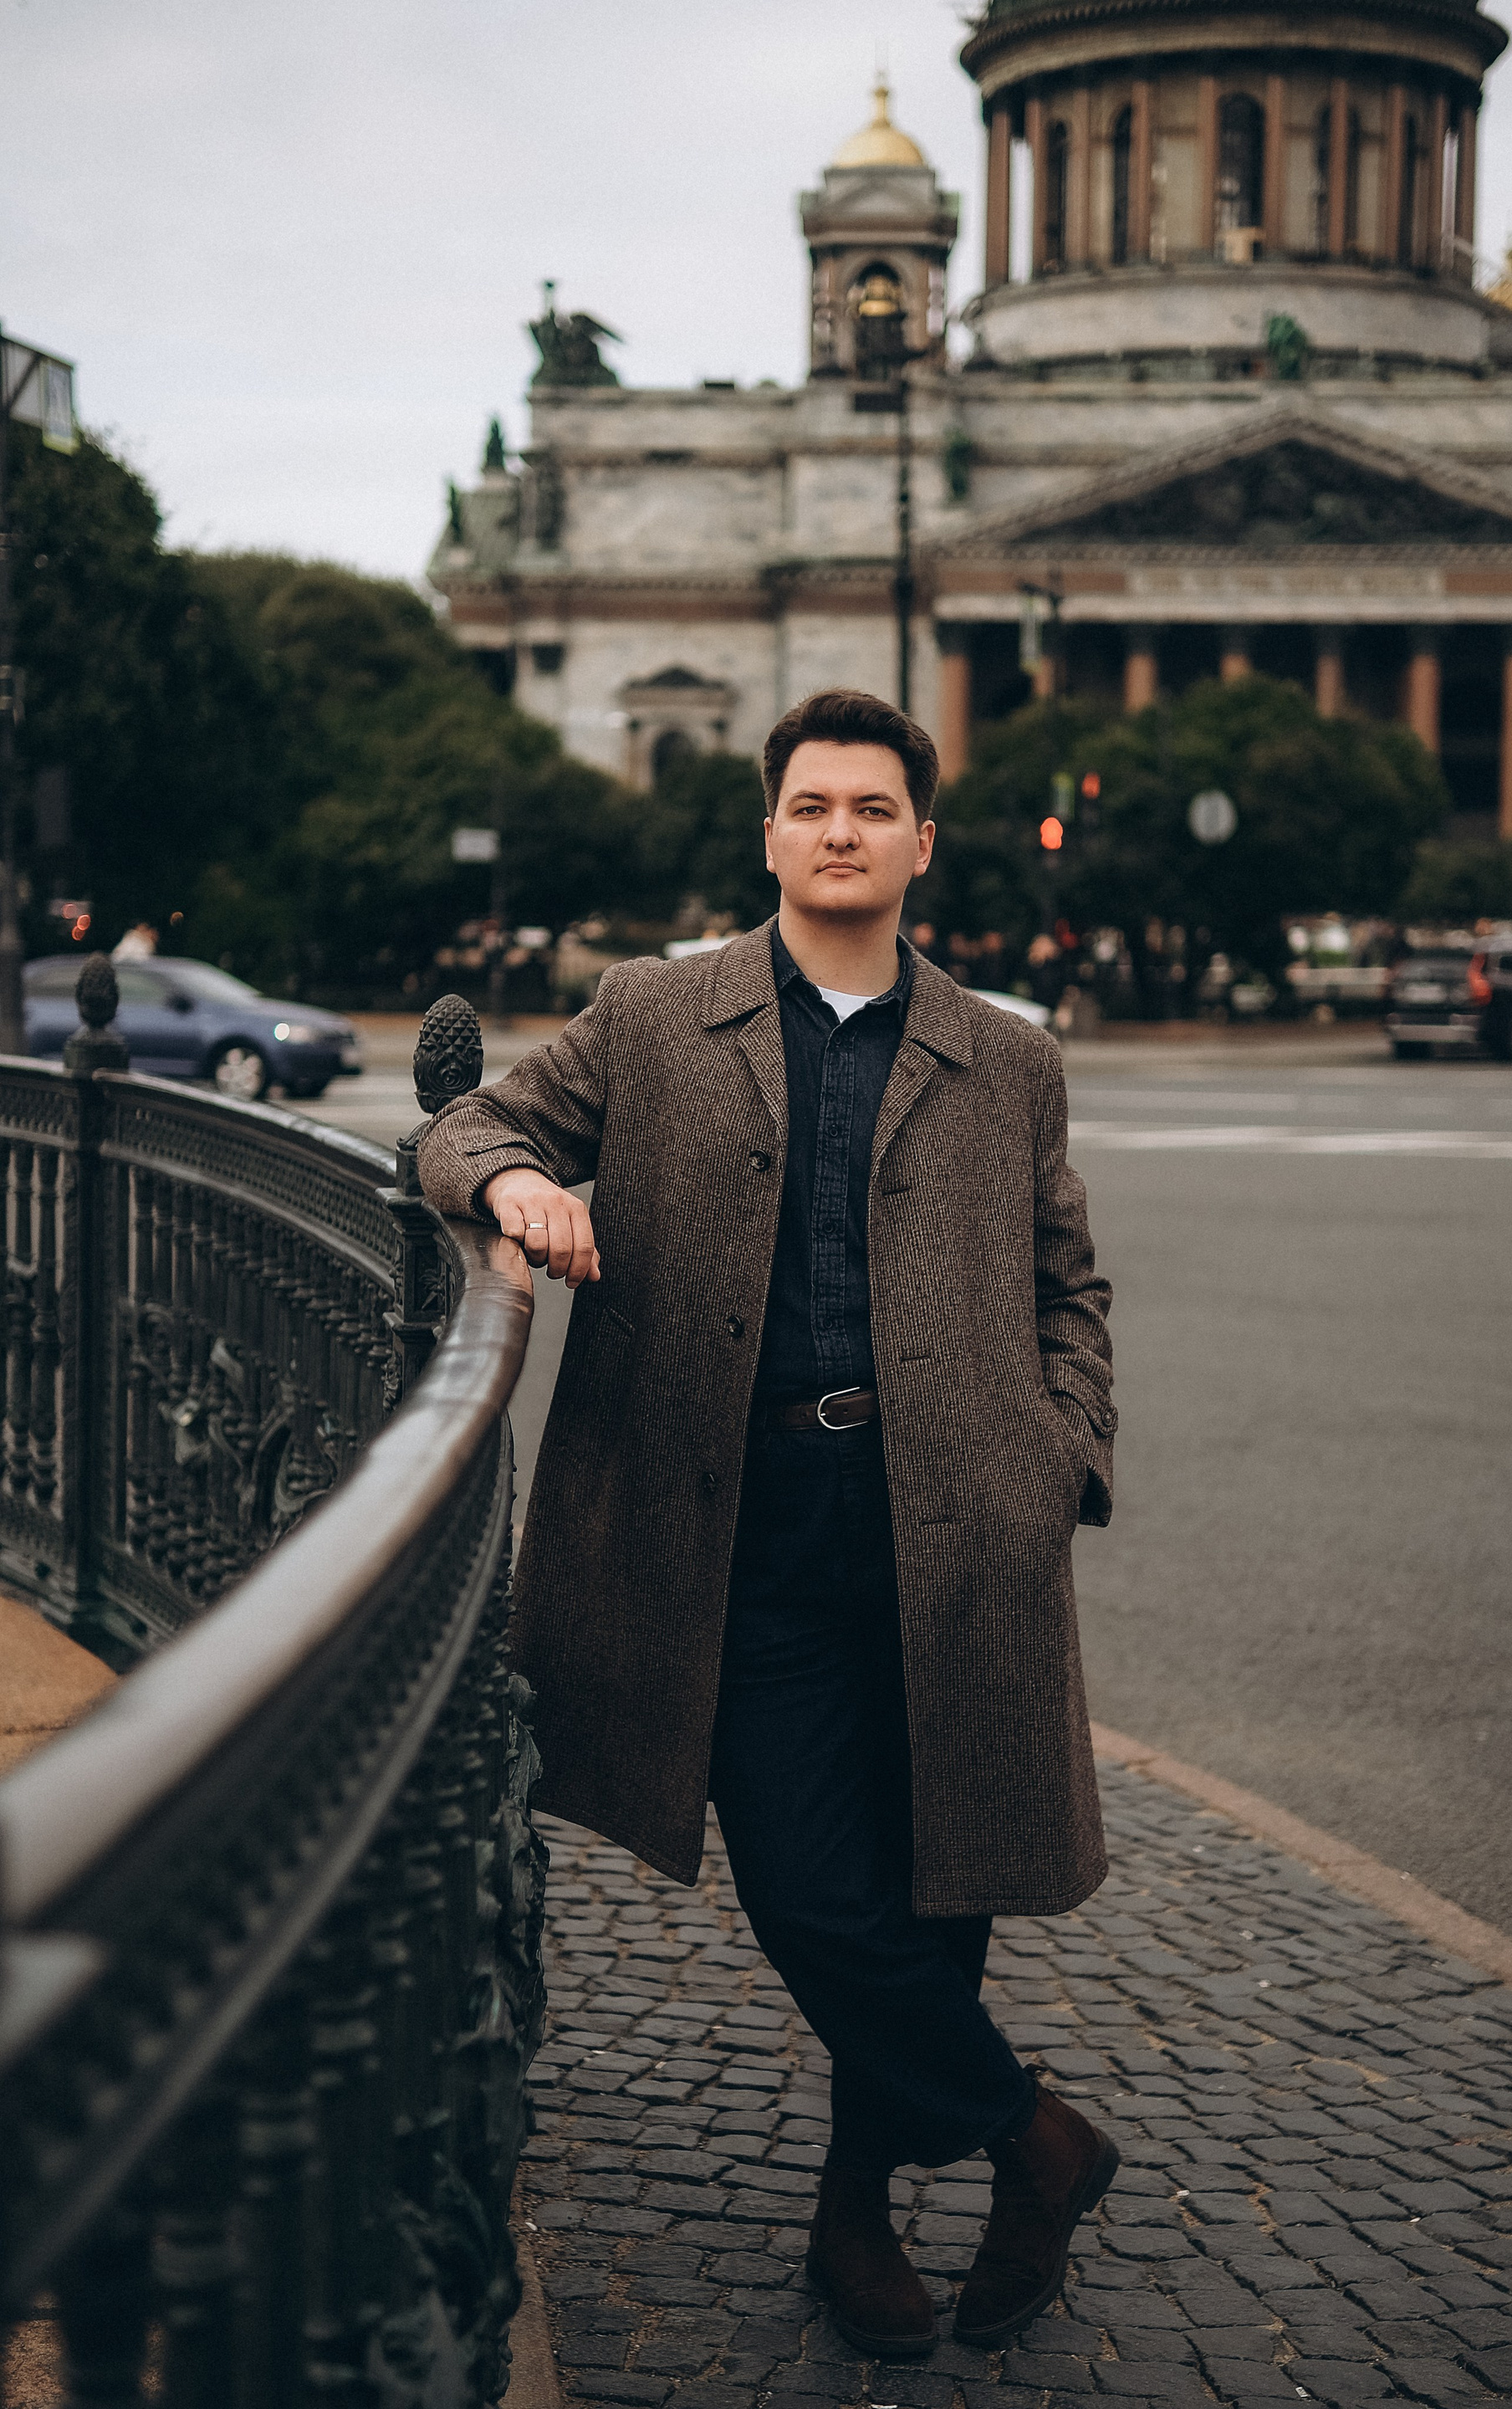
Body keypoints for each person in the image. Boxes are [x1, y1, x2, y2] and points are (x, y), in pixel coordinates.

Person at [417, 688, 1120, 2358]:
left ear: (921, 842)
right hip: (735, 1529)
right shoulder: (656, 1013)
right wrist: (516, 1185)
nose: (841, 831)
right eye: (813, 806)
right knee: (810, 1888)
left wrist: (1060, 1460)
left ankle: (853, 2212)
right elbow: (469, 1121)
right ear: (771, 835)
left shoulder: (1007, 1056)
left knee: (936, 1889)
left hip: (957, 1534)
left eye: (873, 808)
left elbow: (1068, 1284)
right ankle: (1038, 2142)